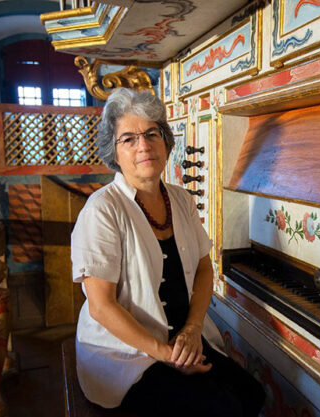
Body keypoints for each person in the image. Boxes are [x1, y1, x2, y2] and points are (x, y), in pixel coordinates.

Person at [70, 87, 265, 417]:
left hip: (182, 337)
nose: (144, 146)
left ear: (165, 141)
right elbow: (101, 307)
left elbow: (204, 268)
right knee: (221, 410)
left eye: (151, 134)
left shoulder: (181, 199)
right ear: (113, 152)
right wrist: (167, 355)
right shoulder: (101, 210)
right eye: (129, 139)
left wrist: (192, 330)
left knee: (252, 394)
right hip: (125, 352)